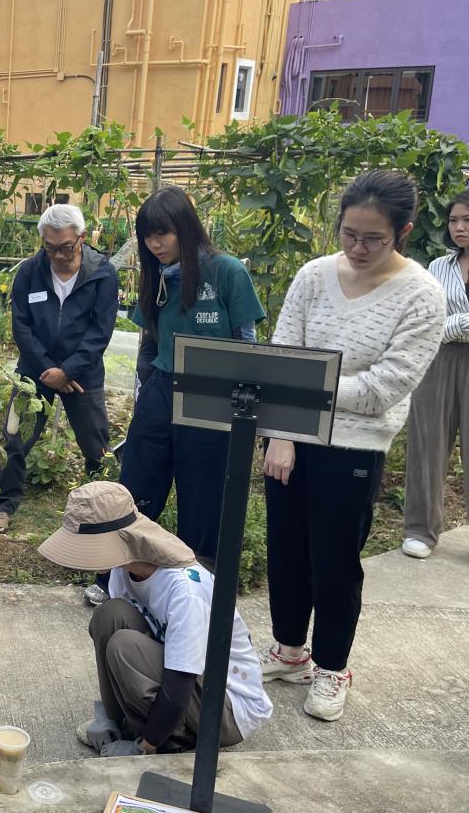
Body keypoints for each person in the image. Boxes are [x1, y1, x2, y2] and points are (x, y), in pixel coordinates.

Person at [259, 170, 444, 722]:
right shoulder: (314, 276)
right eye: (349, 234)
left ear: (402, 232)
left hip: (357, 448)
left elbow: (384, 388)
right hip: (291, 439)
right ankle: (290, 650)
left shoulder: (421, 295)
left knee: (334, 561)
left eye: (373, 239)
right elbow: (283, 357)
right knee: (286, 550)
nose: (358, 248)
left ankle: (333, 668)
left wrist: (307, 388)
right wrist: (282, 433)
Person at [39, 481, 272, 756]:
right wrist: (107, 717)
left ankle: (168, 740)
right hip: (191, 685)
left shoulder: (186, 591)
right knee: (109, 615)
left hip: (226, 707)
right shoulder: (124, 569)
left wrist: (145, 746)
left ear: (119, 540)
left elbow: (180, 681)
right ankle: (115, 721)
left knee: (125, 646)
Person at [117, 186, 265, 579]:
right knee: (136, 484)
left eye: (162, 234)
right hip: (162, 389)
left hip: (213, 395)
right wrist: (146, 389)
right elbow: (149, 343)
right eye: (147, 236)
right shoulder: (157, 276)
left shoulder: (226, 271)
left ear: (185, 228)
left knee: (202, 494)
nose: (154, 244)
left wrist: (240, 405)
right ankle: (119, 577)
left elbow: (246, 341)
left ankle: (197, 582)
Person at [0, 203, 117, 535]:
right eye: (50, 247)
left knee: (96, 445)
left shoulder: (102, 274)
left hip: (83, 375)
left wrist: (69, 370)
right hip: (35, 371)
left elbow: (100, 332)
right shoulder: (30, 272)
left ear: (82, 237)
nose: (58, 255)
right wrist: (49, 370)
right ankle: (4, 503)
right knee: (15, 437)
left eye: (66, 247)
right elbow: (22, 327)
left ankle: (105, 511)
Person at [401, 188, 469, 559]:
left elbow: (445, 321)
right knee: (427, 442)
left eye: (467, 220)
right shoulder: (439, 267)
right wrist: (457, 325)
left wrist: (453, 323)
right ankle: (420, 529)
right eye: (454, 220)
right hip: (437, 359)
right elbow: (427, 320)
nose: (459, 227)